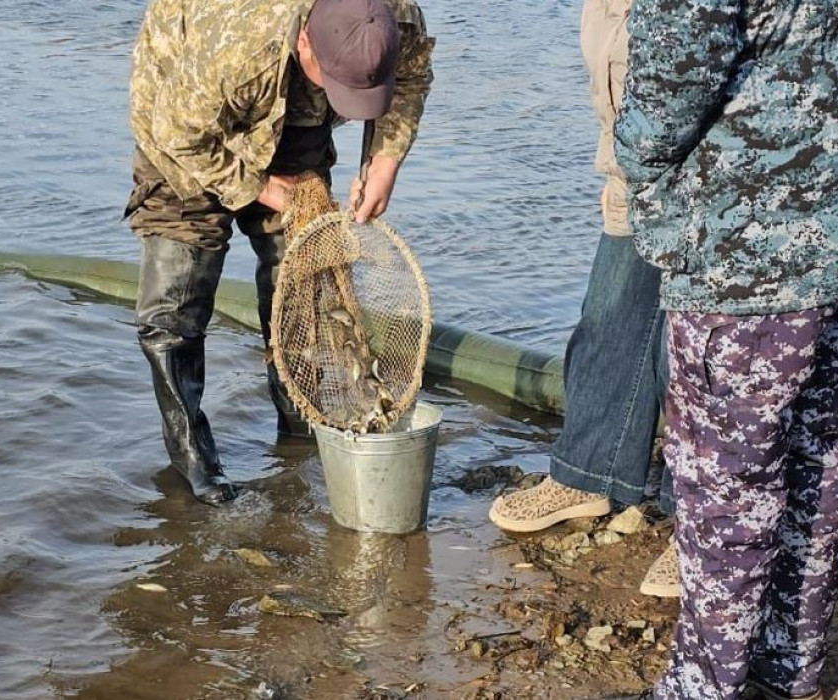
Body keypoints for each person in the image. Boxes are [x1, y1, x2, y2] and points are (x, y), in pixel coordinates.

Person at [615, 1, 838, 698]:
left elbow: (676, 65)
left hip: (748, 239)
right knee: (814, 449)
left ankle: (708, 684)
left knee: (726, 476)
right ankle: (788, 669)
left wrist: (636, 157)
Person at [126, 0, 434, 505]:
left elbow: (413, 78)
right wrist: (263, 187)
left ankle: (301, 433)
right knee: (176, 302)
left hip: (293, 116)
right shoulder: (237, 45)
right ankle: (193, 462)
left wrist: (386, 161)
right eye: (339, 86)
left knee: (304, 275)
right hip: (188, 124)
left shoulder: (391, 17)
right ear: (305, 41)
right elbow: (176, 133)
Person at [487, 0, 679, 600]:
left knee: (698, 354)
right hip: (635, 171)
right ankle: (588, 474)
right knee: (606, 318)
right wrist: (617, 169)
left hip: (705, 183)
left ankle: (697, 521)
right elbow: (616, 80)